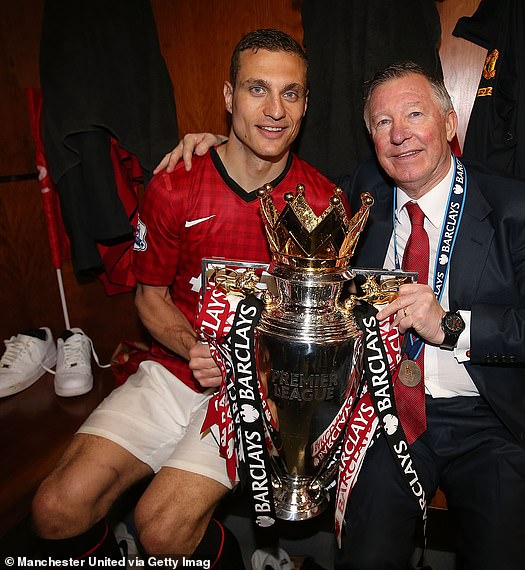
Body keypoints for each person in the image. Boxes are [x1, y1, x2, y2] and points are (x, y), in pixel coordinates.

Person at [157, 63, 525, 569]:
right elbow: (277, 179)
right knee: (365, 555)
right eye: (382, 123)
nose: (399, 135)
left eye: (413, 114)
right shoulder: (361, 194)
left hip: (489, 418)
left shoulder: (516, 207)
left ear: (449, 125)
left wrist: (451, 324)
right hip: (386, 415)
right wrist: (223, 144)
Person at [31, 29, 337, 566]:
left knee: (162, 528)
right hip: (173, 370)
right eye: (256, 89)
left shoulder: (321, 202)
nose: (274, 109)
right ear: (227, 97)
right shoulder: (176, 182)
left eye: (291, 93)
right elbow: (149, 299)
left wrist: (260, 373)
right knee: (57, 508)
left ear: (307, 104)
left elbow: (319, 334)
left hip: (256, 393)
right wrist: (196, 344)